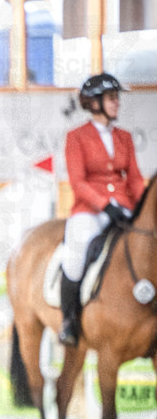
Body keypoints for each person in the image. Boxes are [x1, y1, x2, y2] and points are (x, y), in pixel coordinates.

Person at [60, 72, 144, 346]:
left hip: (124, 208)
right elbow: (78, 182)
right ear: (94, 103)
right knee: (76, 251)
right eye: (111, 98)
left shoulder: (124, 137)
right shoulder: (76, 137)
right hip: (89, 211)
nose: (117, 103)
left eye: (116, 98)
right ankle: (69, 320)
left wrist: (140, 207)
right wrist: (105, 205)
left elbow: (133, 178)